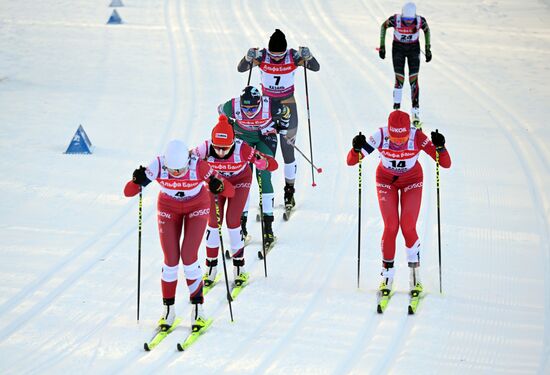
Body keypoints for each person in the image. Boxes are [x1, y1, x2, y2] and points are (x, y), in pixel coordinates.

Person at [123, 139, 235, 331]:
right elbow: (128, 192)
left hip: (197, 206)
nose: (175, 174)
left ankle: (198, 308)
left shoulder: (198, 165)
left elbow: (230, 191)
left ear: (187, 162)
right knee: (171, 261)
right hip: (168, 207)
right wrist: (136, 180)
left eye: (180, 170)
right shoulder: (158, 165)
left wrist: (219, 185)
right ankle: (169, 310)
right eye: (172, 170)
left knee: (189, 257)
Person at [346, 110, 451, 299]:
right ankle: (387, 277)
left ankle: (414, 277)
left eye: (402, 138)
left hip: (412, 181)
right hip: (386, 181)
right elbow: (352, 161)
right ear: (389, 131)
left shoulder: (417, 137)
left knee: (408, 227)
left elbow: (445, 163)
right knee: (391, 226)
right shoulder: (379, 136)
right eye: (394, 137)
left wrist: (441, 147)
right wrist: (355, 149)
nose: (398, 142)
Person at [238, 28, 320, 213]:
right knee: (265, 153)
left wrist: (309, 56)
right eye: (273, 55)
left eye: (280, 55)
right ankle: (265, 194)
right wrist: (248, 57)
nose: (276, 58)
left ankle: (289, 191)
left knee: (288, 150)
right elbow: (241, 68)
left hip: (287, 106)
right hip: (265, 108)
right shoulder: (262, 56)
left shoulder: (293, 56)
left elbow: (315, 67)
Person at [193, 115, 278, 287]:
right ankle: (211, 267)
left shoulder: (242, 148)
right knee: (213, 222)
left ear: (233, 143)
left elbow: (272, 164)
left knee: (233, 221)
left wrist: (264, 163)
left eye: (226, 148)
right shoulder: (205, 147)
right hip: (217, 183)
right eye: (218, 148)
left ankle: (239, 268)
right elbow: (186, 160)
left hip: (240, 182)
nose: (221, 152)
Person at [218, 85, 290, 250]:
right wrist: (228, 125)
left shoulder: (269, 105)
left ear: (259, 102)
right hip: (243, 138)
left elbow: (286, 112)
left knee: (264, 175)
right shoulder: (233, 106)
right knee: (243, 178)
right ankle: (242, 227)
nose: (249, 111)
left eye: (253, 108)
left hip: (265, 137)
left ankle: (268, 229)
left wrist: (283, 128)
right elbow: (220, 111)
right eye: (246, 107)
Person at [379, 2, 431, 128]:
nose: (408, 22)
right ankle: (396, 108)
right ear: (402, 15)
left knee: (413, 80)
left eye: (410, 20)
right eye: (406, 20)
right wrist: (382, 46)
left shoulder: (419, 21)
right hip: (398, 49)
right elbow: (383, 26)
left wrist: (427, 48)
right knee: (399, 78)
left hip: (413, 49)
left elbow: (427, 30)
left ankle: (416, 113)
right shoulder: (396, 20)